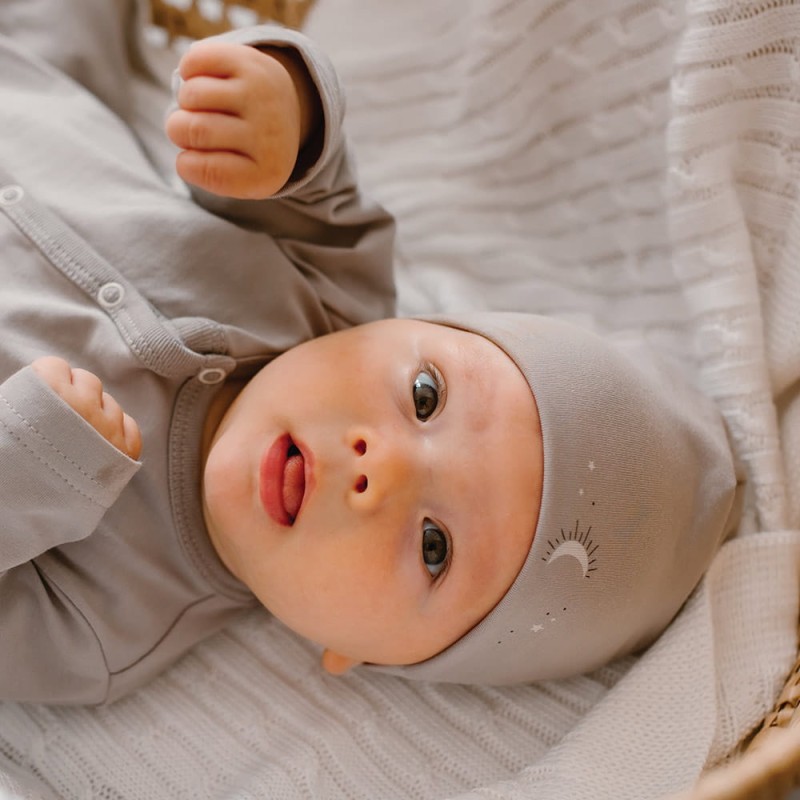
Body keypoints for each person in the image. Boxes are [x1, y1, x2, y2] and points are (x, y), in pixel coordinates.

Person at [0, 0, 743, 706]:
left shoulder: (108, 625)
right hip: (35, 81)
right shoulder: (330, 296)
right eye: (426, 396)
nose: (376, 465)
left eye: (433, 548)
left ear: (366, 656)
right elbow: (310, 170)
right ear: (414, 328)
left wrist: (30, 462)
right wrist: (276, 110)